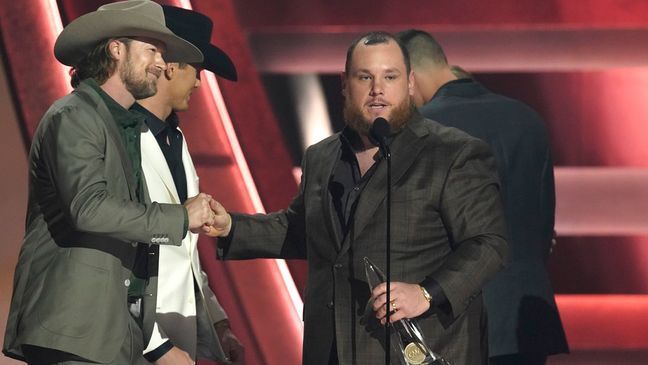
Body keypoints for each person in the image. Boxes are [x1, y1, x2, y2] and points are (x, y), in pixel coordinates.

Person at [208, 31, 508, 365]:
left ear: (409, 83)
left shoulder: (452, 153)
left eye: (389, 77)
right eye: (364, 77)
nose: (377, 89)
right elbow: (302, 230)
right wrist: (230, 227)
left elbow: (488, 243)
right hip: (332, 350)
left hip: (416, 349)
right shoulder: (322, 156)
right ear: (345, 83)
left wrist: (425, 293)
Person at [2, 1, 219, 364]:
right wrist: (180, 218)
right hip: (75, 330)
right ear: (116, 49)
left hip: (116, 333)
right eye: (152, 50)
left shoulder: (124, 127)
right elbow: (87, 208)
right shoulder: (73, 116)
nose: (162, 64)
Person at [396, 29, 569, 365]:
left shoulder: (420, 132)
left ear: (410, 78)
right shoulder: (527, 119)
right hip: (527, 320)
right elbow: (543, 231)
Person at [131, 6, 243, 365]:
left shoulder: (175, 139)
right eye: (196, 71)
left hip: (177, 338)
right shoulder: (121, 138)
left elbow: (186, 253)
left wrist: (217, 322)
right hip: (131, 343)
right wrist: (157, 346)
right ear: (170, 66)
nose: (198, 82)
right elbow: (114, 252)